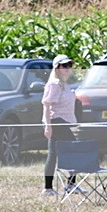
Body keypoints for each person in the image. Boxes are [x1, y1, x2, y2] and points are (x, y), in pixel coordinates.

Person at [41, 54, 79, 196]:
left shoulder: (64, 84)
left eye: (69, 65)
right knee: (72, 151)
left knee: (55, 154)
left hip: (65, 122)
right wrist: (47, 126)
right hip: (57, 122)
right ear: (57, 68)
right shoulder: (54, 84)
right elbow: (47, 106)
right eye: (64, 66)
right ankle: (67, 185)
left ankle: (52, 187)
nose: (67, 68)